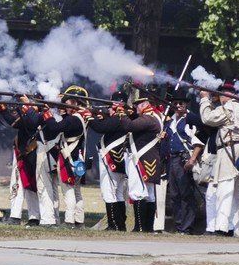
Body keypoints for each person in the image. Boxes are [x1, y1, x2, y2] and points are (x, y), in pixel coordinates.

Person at [199, 80, 239, 238]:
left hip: (230, 149)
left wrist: (204, 99)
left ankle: (222, 228)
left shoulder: (228, 107)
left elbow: (207, 118)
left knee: (224, 189)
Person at [42, 86, 91, 229]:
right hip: (76, 158)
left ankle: (69, 221)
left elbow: (55, 128)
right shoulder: (79, 117)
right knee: (76, 191)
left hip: (68, 158)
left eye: (68, 101)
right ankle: (79, 221)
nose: (66, 104)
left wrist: (47, 115)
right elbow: (64, 122)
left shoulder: (74, 119)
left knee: (68, 191)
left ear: (75, 102)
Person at [119, 94, 164, 233]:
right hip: (148, 160)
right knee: (149, 194)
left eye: (137, 104)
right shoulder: (155, 116)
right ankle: (147, 227)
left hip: (141, 160)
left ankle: (139, 227)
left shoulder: (148, 118)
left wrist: (122, 113)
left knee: (137, 192)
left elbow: (129, 126)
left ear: (145, 104)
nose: (135, 107)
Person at [162, 88, 203, 234]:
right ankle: (179, 225)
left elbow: (198, 143)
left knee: (186, 194)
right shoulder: (169, 121)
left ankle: (187, 227)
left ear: (186, 105)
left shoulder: (190, 120)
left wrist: (192, 160)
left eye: (181, 103)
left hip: (183, 159)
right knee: (174, 195)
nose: (178, 105)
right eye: (176, 103)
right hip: (171, 160)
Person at [0, 100, 41, 226]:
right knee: (20, 185)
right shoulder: (31, 116)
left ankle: (31, 217)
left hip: (31, 154)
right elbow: (16, 122)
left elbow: (24, 123)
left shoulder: (37, 117)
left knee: (30, 187)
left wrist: (26, 109)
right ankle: (21, 216)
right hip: (24, 154)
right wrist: (3, 111)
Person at [90, 91, 130, 231]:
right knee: (118, 193)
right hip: (117, 159)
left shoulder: (118, 118)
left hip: (112, 159)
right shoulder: (122, 117)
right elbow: (105, 124)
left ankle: (113, 225)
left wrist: (89, 117)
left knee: (108, 192)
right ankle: (120, 225)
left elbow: (100, 127)